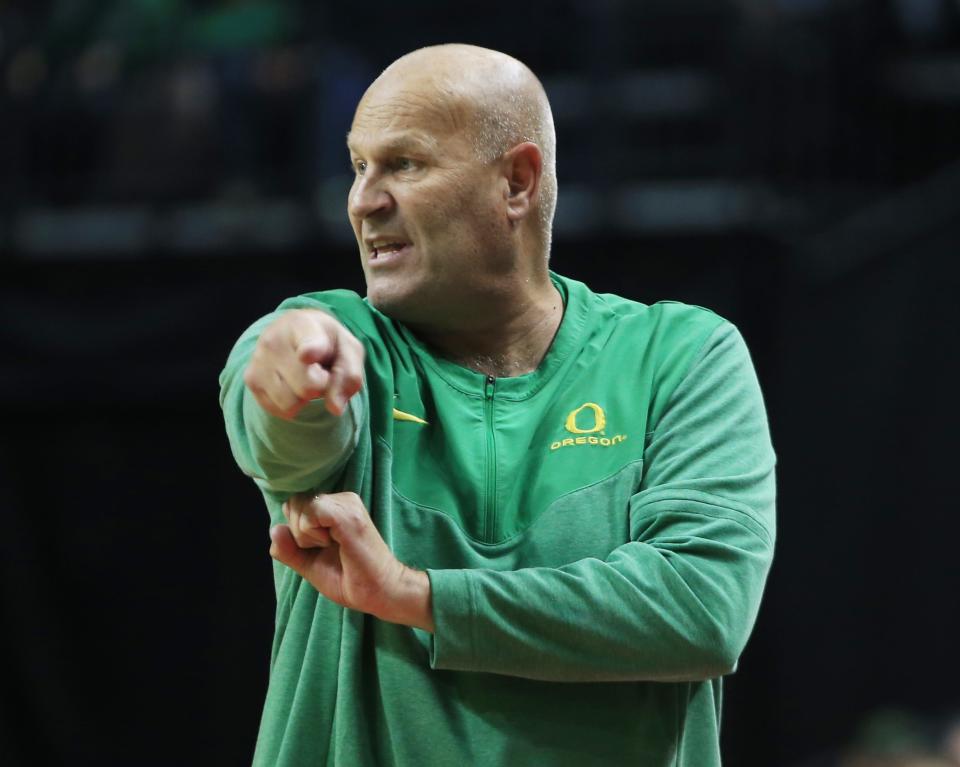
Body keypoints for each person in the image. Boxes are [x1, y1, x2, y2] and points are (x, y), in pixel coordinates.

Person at [219, 43, 776, 767]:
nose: (363, 199)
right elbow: (282, 427)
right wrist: (286, 378)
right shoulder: (340, 341)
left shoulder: (680, 354)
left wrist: (418, 596)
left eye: (405, 164)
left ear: (516, 181)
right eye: (358, 166)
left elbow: (700, 609)